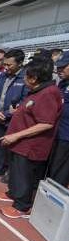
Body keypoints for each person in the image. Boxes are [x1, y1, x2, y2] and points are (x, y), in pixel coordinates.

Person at [0, 58, 62, 219]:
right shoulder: (38, 91)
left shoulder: (48, 93)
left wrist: (16, 135)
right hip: (20, 144)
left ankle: (22, 207)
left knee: (25, 175)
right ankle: (14, 194)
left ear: (34, 78)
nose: (23, 79)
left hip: (30, 145)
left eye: (25, 76)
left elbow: (46, 123)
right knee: (17, 172)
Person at [0, 49, 28, 182]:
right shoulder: (1, 76)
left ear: (20, 63)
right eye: (5, 64)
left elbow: (25, 101)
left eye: (9, 65)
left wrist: (7, 114)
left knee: (12, 146)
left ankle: (10, 172)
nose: (6, 67)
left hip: (14, 120)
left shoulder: (26, 77)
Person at [47, 51, 69, 187]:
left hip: (67, 136)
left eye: (63, 66)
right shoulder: (62, 84)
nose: (59, 70)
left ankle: (52, 199)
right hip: (57, 131)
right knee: (53, 166)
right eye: (58, 67)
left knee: (60, 171)